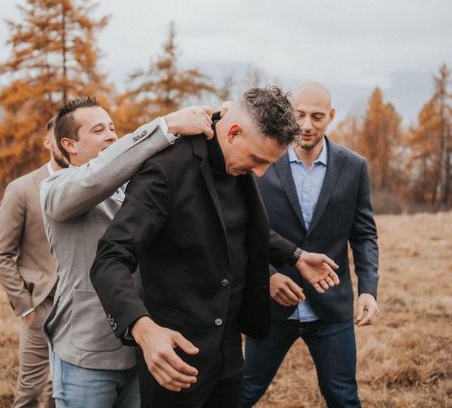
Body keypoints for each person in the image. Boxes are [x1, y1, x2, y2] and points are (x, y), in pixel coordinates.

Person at [90, 86, 340, 408]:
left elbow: (240, 229)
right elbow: (110, 258)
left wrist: (296, 256)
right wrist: (142, 329)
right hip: (177, 354)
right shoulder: (166, 170)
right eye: (257, 160)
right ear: (234, 132)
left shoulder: (240, 158)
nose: (260, 173)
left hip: (229, 353)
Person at [40, 96, 215, 408]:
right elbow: (96, 178)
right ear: (70, 145)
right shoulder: (56, 190)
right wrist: (168, 124)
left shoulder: (133, 188)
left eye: (112, 127)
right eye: (98, 130)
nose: (111, 135)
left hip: (143, 348)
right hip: (86, 355)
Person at [241, 82, 380, 408]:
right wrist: (267, 276)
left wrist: (368, 290)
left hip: (331, 310)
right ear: (290, 114)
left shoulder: (354, 166)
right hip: (272, 308)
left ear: (331, 116)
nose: (306, 125)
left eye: (317, 116)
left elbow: (364, 234)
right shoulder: (262, 162)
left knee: (344, 397)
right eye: (300, 114)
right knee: (243, 392)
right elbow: (245, 230)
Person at [0, 117, 68, 408]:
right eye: (56, 135)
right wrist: (26, 307)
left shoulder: (93, 184)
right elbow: (0, 254)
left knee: (61, 388)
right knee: (29, 390)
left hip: (80, 308)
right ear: (48, 142)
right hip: (42, 306)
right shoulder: (22, 189)